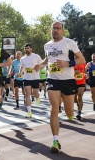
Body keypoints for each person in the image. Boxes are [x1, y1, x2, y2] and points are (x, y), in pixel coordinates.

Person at [35, 21, 85, 153]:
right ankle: (55, 141)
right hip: (53, 79)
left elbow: (82, 59)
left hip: (68, 80)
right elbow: (47, 60)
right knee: (53, 110)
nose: (56, 30)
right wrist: (40, 65)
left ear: (63, 30)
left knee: (69, 112)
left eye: (58, 28)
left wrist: (68, 63)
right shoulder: (47, 45)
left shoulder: (69, 43)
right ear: (51, 30)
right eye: (54, 28)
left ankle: (68, 112)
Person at [17, 43, 42, 118]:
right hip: (26, 78)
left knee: (35, 93)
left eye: (28, 48)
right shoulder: (23, 58)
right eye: (25, 48)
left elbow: (42, 64)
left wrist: (38, 67)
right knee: (27, 93)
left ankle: (37, 97)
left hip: (35, 78)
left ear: (31, 49)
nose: (26, 49)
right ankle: (29, 112)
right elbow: (22, 67)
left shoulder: (36, 56)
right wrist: (19, 73)